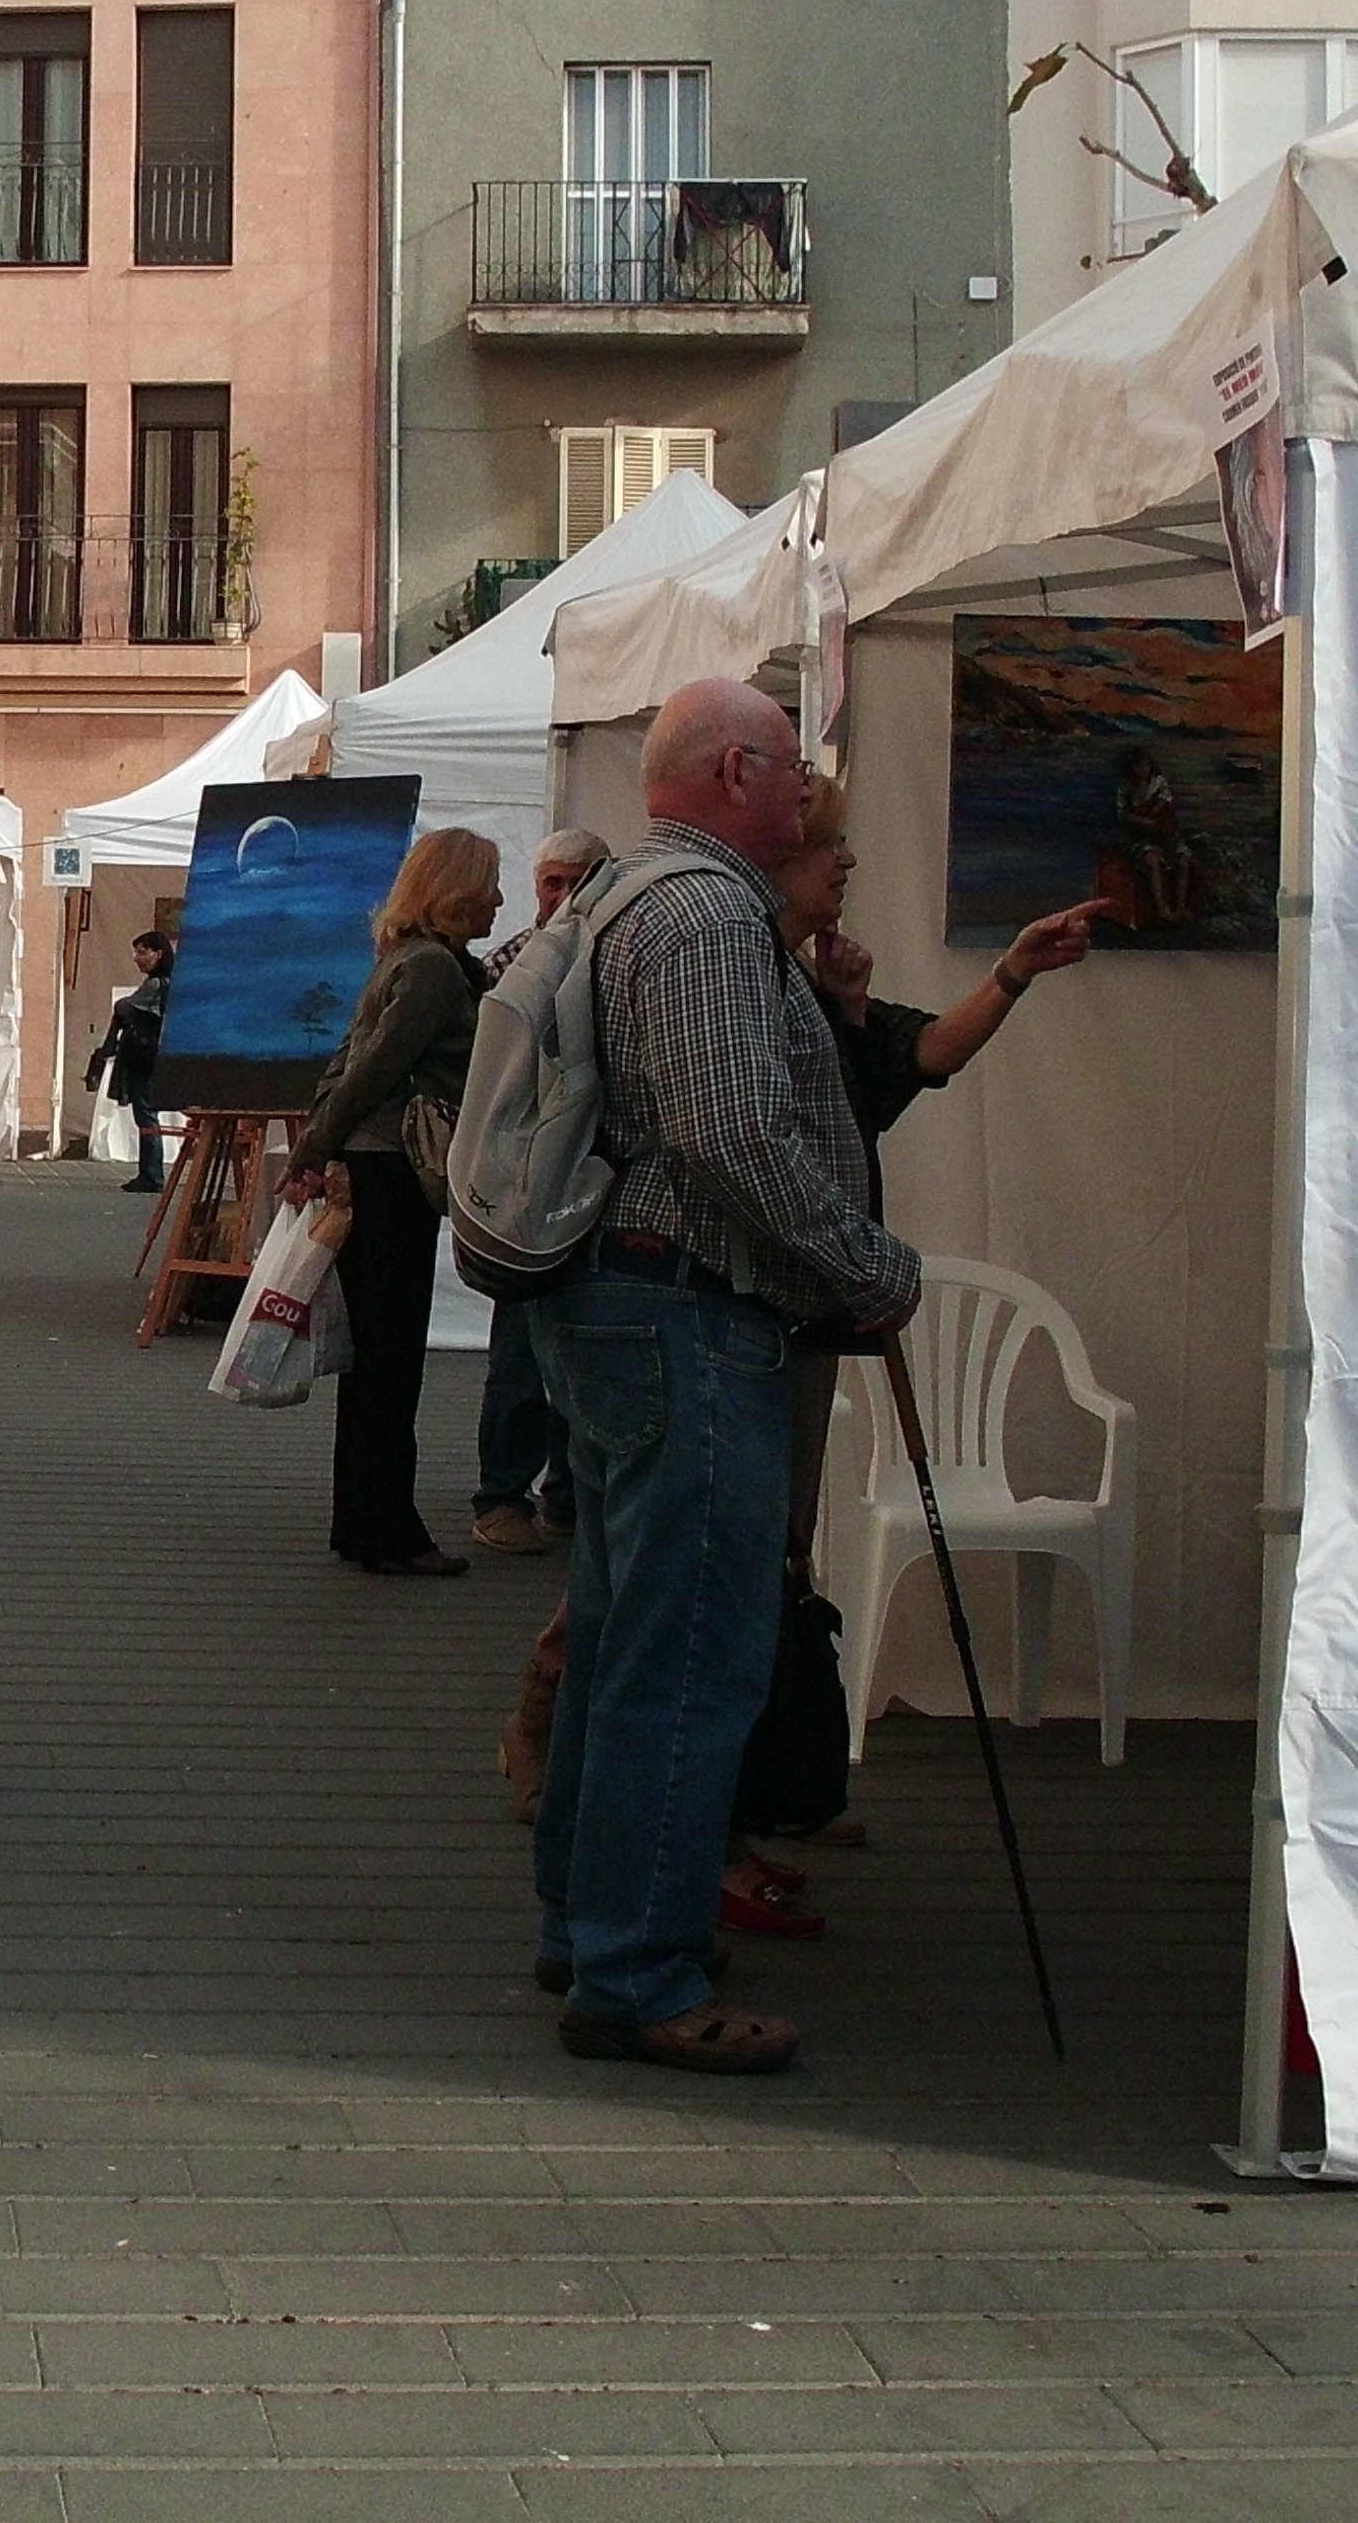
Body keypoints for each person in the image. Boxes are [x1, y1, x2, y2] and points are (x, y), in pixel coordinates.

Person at [530, 679, 914, 2080]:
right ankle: (636, 1971)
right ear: (737, 772)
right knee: (685, 1657)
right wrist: (869, 1267)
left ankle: (595, 1931)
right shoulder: (699, 914)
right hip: (682, 1313)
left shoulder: (649, 898)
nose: (809, 788)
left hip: (639, 1309)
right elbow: (728, 1140)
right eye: (793, 764)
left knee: (627, 1643)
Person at [719, 778, 1106, 1939]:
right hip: (750, 1315)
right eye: (828, 847)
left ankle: (760, 1798)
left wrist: (1011, 974)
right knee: (724, 1562)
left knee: (764, 1559)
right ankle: (704, 1822)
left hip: (802, 1317)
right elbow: (755, 1139)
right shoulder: (740, 972)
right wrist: (855, 1263)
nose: (844, 865)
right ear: (778, 855)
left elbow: (919, 1054)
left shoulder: (805, 988)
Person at [285, 826, 506, 1578]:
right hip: (393, 1172)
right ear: (457, 890)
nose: (497, 900)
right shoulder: (437, 971)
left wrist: (318, 1144)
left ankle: (363, 1519)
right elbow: (373, 1070)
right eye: (488, 885)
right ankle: (388, 1528)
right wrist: (315, 1148)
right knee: (391, 1358)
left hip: (369, 1164)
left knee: (374, 1359)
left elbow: (348, 1062)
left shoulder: (402, 960)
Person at [468, 830, 612, 1555]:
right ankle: (501, 1494)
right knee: (520, 1352)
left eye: (574, 881)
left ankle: (565, 1495)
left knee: (581, 1351)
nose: (561, 896)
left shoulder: (614, 954)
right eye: (551, 882)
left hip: (591, 1179)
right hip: (528, 1179)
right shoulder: (513, 963)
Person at [84, 932, 175, 1191]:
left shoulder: (157, 985)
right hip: (150, 1057)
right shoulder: (163, 983)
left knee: (146, 1116)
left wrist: (109, 1044)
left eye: (142, 952)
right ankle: (149, 1173)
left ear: (158, 954)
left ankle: (152, 1175)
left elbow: (125, 1008)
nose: (137, 958)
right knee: (146, 1116)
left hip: (144, 1058)